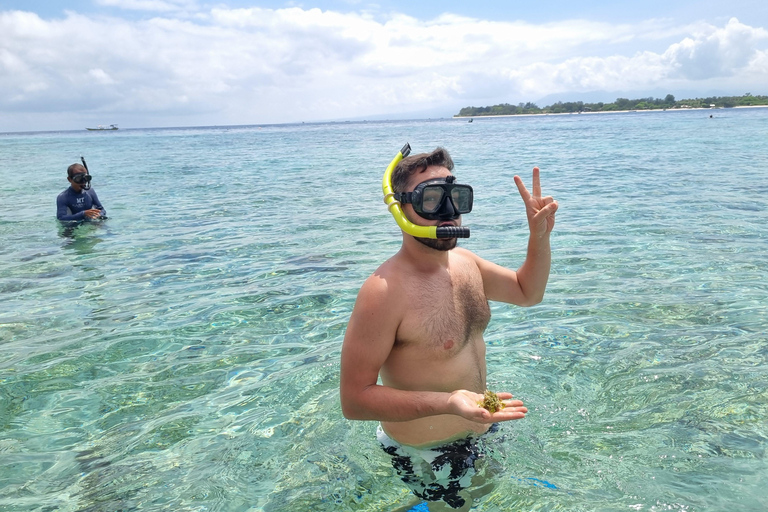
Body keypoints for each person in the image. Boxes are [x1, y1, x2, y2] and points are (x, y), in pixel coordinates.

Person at [340, 146, 558, 510]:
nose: (448, 212)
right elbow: (354, 400)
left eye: (454, 197)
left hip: (481, 427)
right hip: (425, 454)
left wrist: (539, 236)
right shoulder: (384, 291)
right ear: (400, 207)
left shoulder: (465, 262)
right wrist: (449, 403)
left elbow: (526, 292)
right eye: (431, 199)